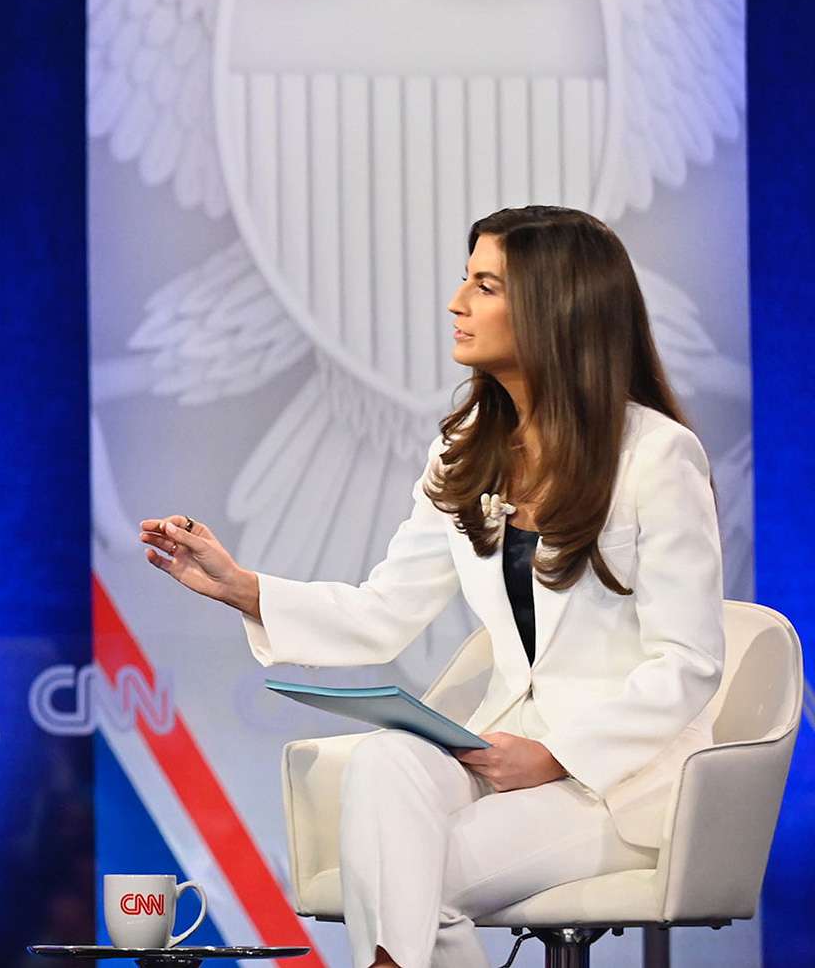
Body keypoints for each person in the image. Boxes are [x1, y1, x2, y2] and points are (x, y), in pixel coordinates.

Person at [138, 205, 724, 968]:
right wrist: (245, 589)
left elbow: (690, 663)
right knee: (387, 761)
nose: (456, 303)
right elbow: (385, 613)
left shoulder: (656, 456)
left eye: (485, 285)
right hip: (500, 750)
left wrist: (557, 755)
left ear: (556, 308)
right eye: (465, 279)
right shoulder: (463, 451)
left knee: (413, 880)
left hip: (617, 781)